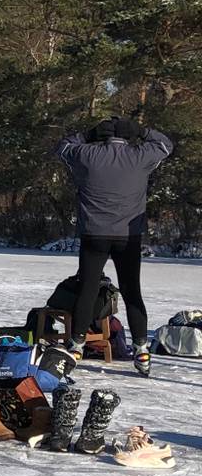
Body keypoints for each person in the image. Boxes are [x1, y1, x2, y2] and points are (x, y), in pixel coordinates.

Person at [54, 116, 173, 377]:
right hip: (127, 237)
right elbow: (165, 145)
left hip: (94, 234)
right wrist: (143, 131)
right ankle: (141, 349)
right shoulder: (139, 156)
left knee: (87, 289)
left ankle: (77, 345)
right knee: (132, 292)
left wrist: (87, 135)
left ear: (102, 136)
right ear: (126, 137)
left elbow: (63, 147)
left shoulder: (87, 154)